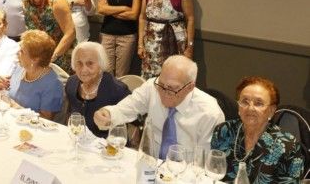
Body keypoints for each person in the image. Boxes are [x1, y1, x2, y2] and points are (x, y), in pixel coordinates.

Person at [94, 55, 224, 157]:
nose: (164, 93)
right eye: (161, 84)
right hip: (151, 165)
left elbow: (204, 163)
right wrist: (107, 114)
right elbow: (124, 110)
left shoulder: (210, 113)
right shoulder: (152, 87)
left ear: (190, 87)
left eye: (172, 88)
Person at [211, 77, 304, 182]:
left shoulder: (288, 145)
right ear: (238, 107)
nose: (250, 108)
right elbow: (211, 173)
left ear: (271, 111)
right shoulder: (224, 131)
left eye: (258, 103)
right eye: (245, 102)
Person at [138, 0, 195, 80]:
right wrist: (140, 44)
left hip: (175, 42)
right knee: (151, 79)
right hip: (151, 43)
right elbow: (142, 17)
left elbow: (190, 18)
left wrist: (189, 47)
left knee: (174, 78)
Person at [21, 0, 76, 72]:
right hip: (38, 60)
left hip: (60, 59)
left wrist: (52, 58)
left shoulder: (56, 0)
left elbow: (70, 33)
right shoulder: (25, 1)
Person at [66, 42, 130, 138]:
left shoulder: (118, 90)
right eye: (79, 63)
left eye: (90, 63)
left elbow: (134, 122)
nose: (83, 70)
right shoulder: (71, 83)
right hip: (77, 142)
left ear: (101, 65)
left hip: (108, 146)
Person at [7, 30, 63, 120]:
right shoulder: (20, 68)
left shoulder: (53, 84)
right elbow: (7, 93)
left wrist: (18, 109)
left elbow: (46, 120)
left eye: (22, 51)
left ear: (35, 59)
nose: (17, 53)